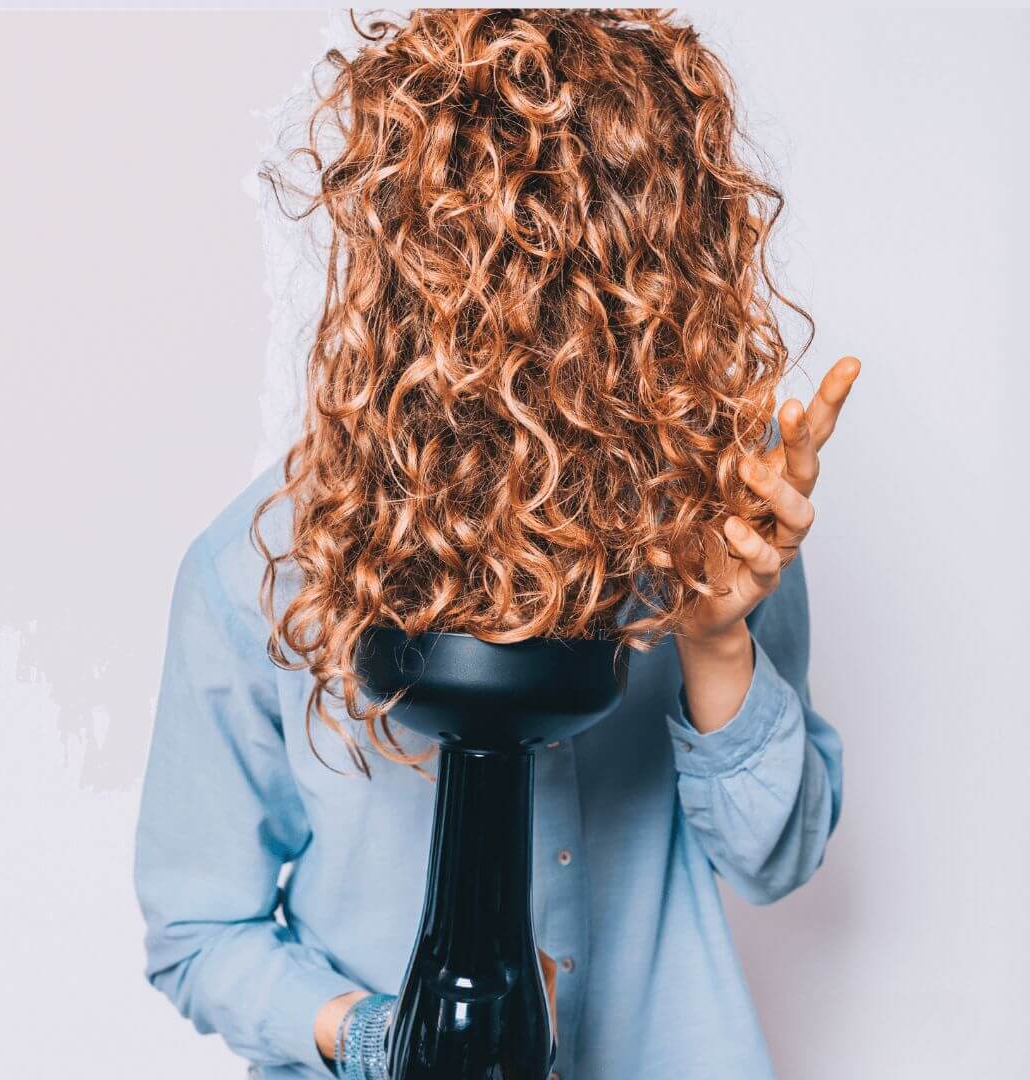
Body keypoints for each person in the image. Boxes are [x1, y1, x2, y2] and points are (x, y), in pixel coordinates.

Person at [134, 9, 859, 1078]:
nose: (533, 327)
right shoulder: (260, 563)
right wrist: (382, 1039)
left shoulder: (711, 518)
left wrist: (717, 640)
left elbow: (776, 858)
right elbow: (198, 930)